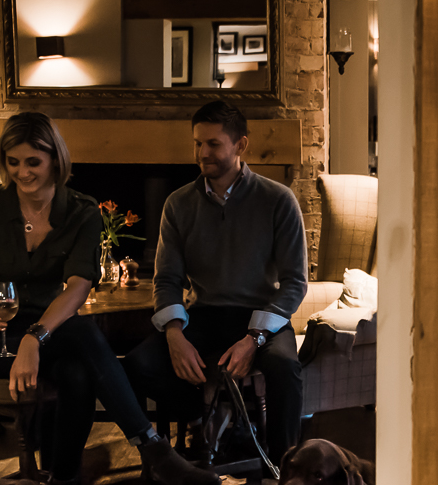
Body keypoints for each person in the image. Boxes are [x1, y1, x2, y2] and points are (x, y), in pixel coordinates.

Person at [0, 111, 218, 485]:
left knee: (78, 368)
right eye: (13, 162)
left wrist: (34, 339)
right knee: (82, 338)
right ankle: (155, 453)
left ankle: (62, 484)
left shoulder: (81, 211)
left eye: (33, 162)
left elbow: (79, 285)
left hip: (49, 330)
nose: (22, 172)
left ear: (55, 159)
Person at [124, 100, 308, 459]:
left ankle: (286, 466)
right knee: (138, 364)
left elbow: (294, 283)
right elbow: (166, 280)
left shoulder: (278, 200)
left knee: (285, 367)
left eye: (213, 144)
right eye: (197, 143)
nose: (201, 153)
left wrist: (254, 338)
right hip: (204, 314)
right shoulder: (178, 204)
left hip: (261, 317)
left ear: (240, 145)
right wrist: (175, 335)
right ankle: (202, 418)